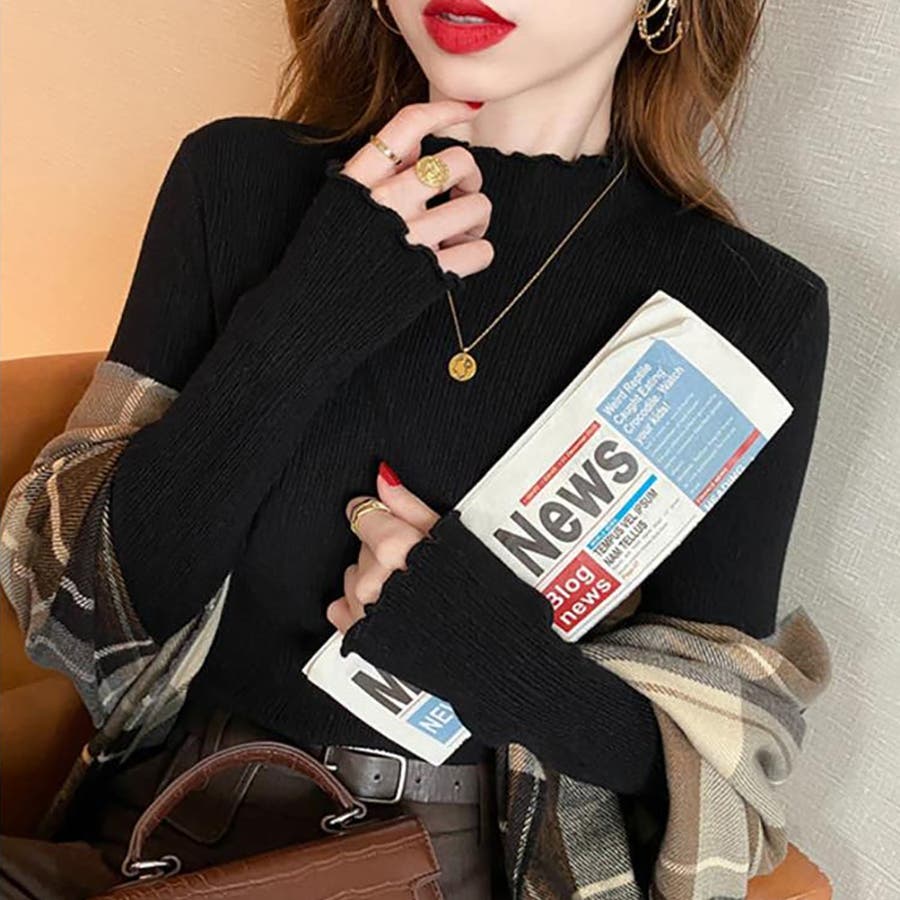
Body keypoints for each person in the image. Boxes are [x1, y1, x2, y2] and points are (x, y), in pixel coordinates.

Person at [0, 1, 830, 898]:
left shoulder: (749, 305)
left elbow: (714, 785)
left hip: (456, 867)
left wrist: (498, 659)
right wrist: (303, 322)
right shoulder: (242, 177)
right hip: (168, 833)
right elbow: (81, 609)